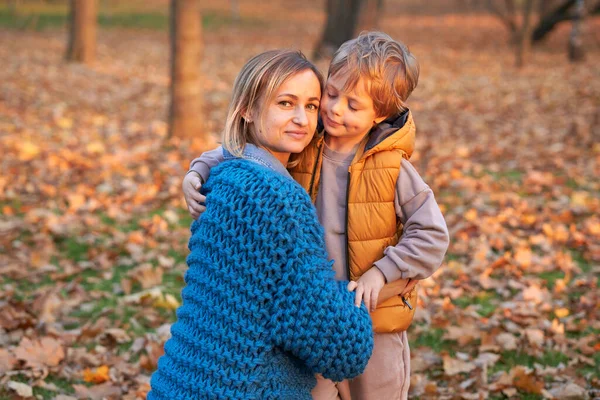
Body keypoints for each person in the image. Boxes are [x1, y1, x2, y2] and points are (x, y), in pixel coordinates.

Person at [184, 32, 450, 400]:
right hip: (314, 318)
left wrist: (384, 271)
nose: (335, 110)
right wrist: (197, 171)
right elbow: (241, 150)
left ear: (381, 114)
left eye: (353, 105)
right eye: (333, 94)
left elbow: (432, 235)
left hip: (374, 321)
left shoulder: (394, 170)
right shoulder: (305, 143)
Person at [148, 49, 374, 400]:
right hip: (248, 389)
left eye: (312, 106)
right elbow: (340, 345)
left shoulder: (224, 178)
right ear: (247, 109)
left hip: (183, 380)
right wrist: (359, 300)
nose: (302, 118)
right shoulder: (275, 197)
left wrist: (198, 167)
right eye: (286, 103)